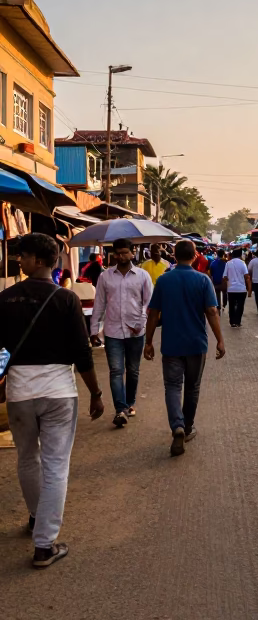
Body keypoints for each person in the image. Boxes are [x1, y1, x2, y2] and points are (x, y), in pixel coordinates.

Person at [0, 233, 105, 568]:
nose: (20, 259)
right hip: (59, 391)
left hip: (20, 392)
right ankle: (44, 543)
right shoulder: (66, 299)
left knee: (28, 458)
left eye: (24, 255)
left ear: (41, 260)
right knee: (56, 464)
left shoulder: (5, 299)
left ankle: (36, 517)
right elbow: (81, 352)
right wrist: (95, 393)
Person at [144, 240, 225, 457]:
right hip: (196, 344)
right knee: (192, 387)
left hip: (171, 344)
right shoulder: (203, 280)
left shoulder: (163, 280)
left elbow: (153, 314)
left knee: (172, 386)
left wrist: (148, 341)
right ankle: (187, 427)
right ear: (195, 255)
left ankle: (177, 426)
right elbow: (211, 311)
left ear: (174, 255)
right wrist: (220, 339)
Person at [89, 239, 154, 428]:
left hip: (136, 331)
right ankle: (120, 409)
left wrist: (140, 323)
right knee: (116, 371)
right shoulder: (105, 277)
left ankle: (130, 402)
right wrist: (94, 330)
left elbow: (149, 303)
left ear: (132, 253)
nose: (121, 256)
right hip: (113, 332)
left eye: (125, 252)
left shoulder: (142, 276)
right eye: (118, 253)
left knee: (133, 370)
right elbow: (99, 304)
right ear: (113, 254)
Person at [223, 248, 250, 328]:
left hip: (231, 289)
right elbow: (246, 275)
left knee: (231, 305)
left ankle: (232, 322)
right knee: (240, 306)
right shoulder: (242, 263)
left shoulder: (228, 263)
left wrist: (229, 281)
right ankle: (238, 321)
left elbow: (225, 276)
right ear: (240, 255)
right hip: (241, 289)